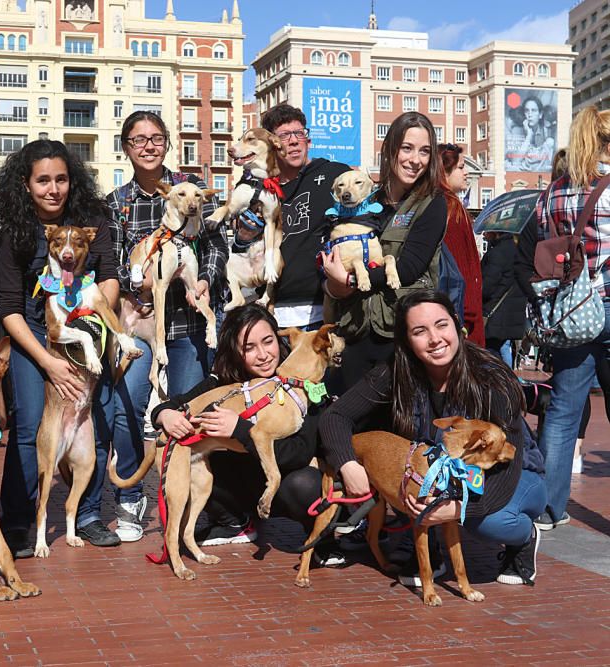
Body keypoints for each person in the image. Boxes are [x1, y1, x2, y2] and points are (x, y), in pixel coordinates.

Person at [321, 290, 546, 587]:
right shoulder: (395, 372)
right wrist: (348, 464)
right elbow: (334, 416)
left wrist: (459, 509)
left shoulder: (491, 377)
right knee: (406, 478)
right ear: (406, 340)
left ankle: (523, 537)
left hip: (513, 474)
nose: (434, 339)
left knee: (487, 522)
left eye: (442, 325)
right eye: (419, 331)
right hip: (445, 478)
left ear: (456, 326)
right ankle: (432, 550)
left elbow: (508, 471)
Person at [105, 111, 228, 542]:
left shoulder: (190, 190)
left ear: (168, 143)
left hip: (189, 325)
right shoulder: (117, 202)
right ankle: (131, 495)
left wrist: (208, 281)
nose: (148, 146)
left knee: (190, 412)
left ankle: (186, 500)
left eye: (156, 138)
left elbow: (216, 244)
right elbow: (112, 259)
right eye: (139, 140)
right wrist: (132, 281)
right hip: (142, 327)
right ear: (127, 147)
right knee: (128, 406)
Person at [0, 139, 120, 554]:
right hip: (35, 338)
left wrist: (96, 323)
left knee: (94, 422)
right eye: (43, 180)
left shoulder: (92, 220)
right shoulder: (14, 232)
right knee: (30, 426)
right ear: (26, 185)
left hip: (86, 328)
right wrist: (48, 361)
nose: (53, 189)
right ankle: (17, 520)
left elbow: (109, 279)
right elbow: (10, 309)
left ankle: (86, 515)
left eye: (61, 179)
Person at [149, 304, 344, 565]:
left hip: (281, 485)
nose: (262, 355)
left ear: (280, 340)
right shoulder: (225, 382)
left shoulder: (303, 384)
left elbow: (299, 453)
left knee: (305, 482)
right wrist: (165, 415)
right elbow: (176, 404)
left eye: (268, 342)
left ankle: (321, 538)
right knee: (205, 464)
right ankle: (233, 521)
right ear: (236, 352)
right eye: (249, 348)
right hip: (243, 483)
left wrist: (240, 431)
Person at [514, 105, 610, 531]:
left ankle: (550, 510)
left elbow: (543, 248)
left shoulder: (552, 192)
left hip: (571, 313)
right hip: (607, 302)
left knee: (564, 412)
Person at [323, 112, 448, 389]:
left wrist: (349, 280)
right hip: (355, 328)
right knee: (351, 425)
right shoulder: (364, 201)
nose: (415, 159)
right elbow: (332, 254)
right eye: (407, 148)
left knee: (398, 427)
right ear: (390, 150)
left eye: (425, 151)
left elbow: (408, 269)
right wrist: (331, 284)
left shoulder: (432, 203)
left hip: (400, 334)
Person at [232, 104, 350, 330]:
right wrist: (244, 235)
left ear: (308, 140)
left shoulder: (334, 174)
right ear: (271, 145)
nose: (294, 141)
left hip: (323, 309)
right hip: (270, 312)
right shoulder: (253, 188)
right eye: (284, 135)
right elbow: (239, 249)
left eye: (299, 133)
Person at [439, 143, 484, 345]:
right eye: (461, 167)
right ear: (444, 172)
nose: (466, 172)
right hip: (461, 315)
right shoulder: (452, 208)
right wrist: (470, 312)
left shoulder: (434, 202)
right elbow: (463, 267)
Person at [480, 232, 526, 367]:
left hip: (495, 312)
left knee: (490, 355)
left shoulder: (498, 253)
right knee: (501, 350)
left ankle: (497, 385)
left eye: (488, 230)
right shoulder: (518, 251)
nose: (484, 233)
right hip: (510, 311)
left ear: (497, 232)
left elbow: (487, 287)